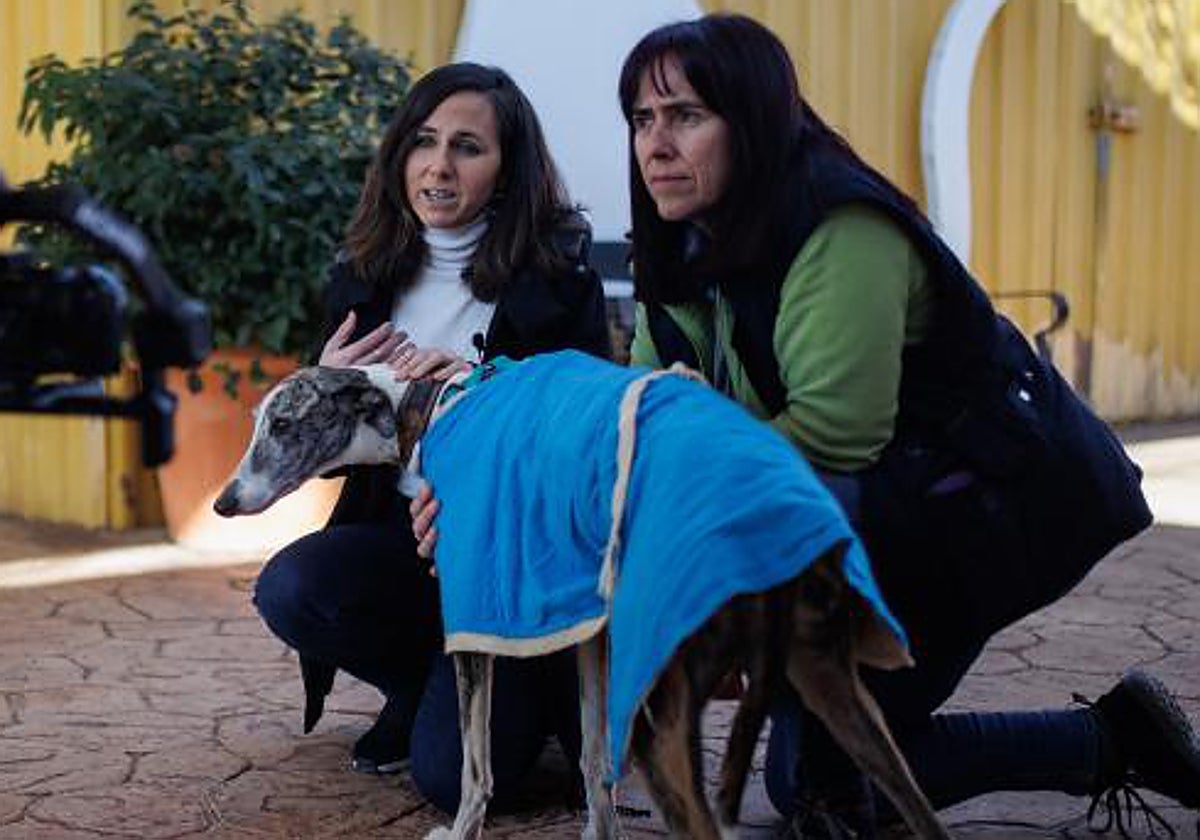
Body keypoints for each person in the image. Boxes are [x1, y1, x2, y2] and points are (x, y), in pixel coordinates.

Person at [408, 14, 1200, 835]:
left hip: (982, 515)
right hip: (870, 520)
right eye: (642, 120)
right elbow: (636, 429)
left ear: (751, 121)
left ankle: (1096, 742)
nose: (656, 145)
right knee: (809, 776)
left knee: (828, 777)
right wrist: (495, 501)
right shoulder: (680, 250)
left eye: (685, 115)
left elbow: (830, 439)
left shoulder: (841, 230)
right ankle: (1110, 736)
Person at [252, 62, 610, 814]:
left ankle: (533, 696)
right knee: (294, 587)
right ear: (399, 156)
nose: (439, 166)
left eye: (468, 147)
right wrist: (325, 385)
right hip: (401, 538)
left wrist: (482, 386)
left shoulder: (556, 275)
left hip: (507, 558)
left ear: (507, 170)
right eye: (424, 141)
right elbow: (322, 461)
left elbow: (582, 440)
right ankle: (420, 687)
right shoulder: (365, 273)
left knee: (453, 783)